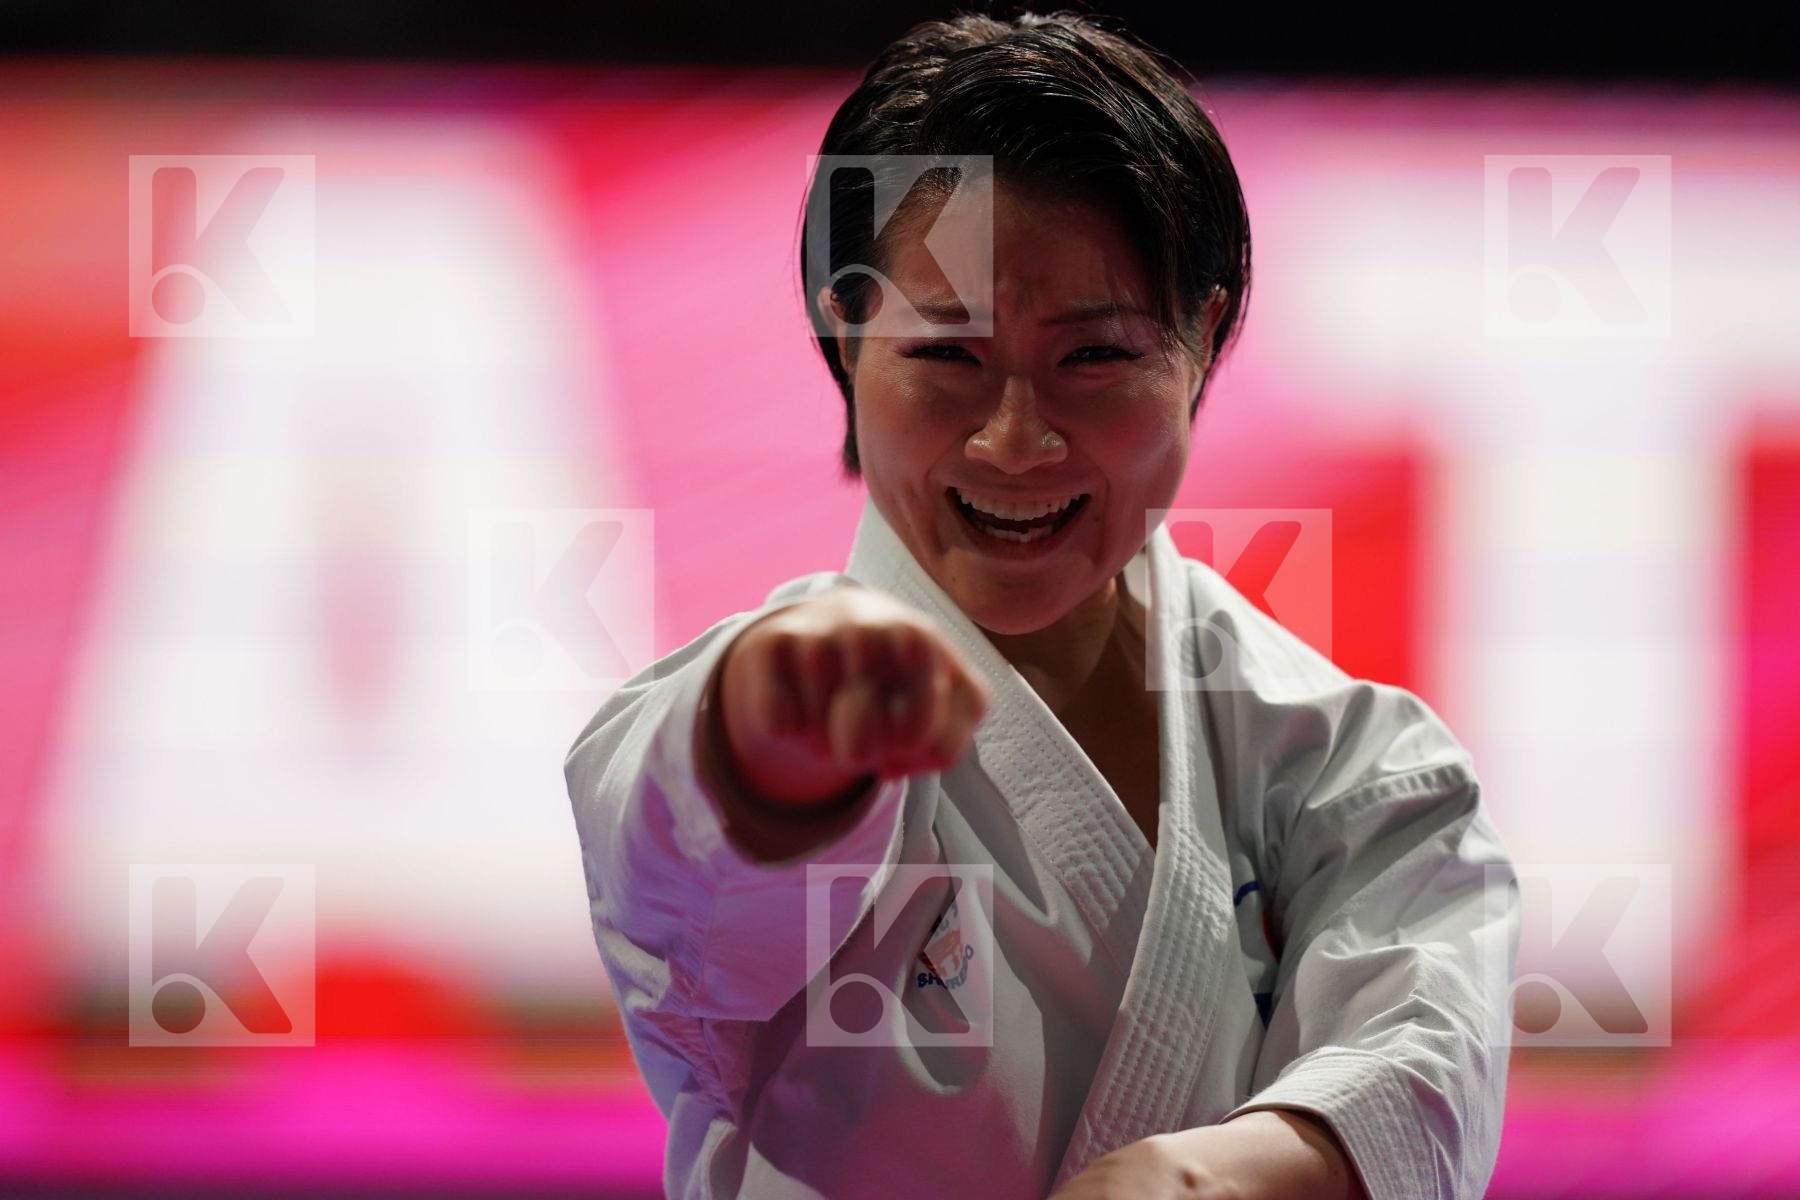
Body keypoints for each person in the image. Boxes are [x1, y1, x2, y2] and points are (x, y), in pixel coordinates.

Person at [564, 12, 1521, 1199]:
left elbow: (1420, 1081)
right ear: (845, 334)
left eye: (1094, 358)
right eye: (946, 357)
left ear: (1200, 338)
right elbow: (693, 879)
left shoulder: (1358, 770)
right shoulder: (710, 715)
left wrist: (1199, 1181)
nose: (1015, 441)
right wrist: (772, 740)